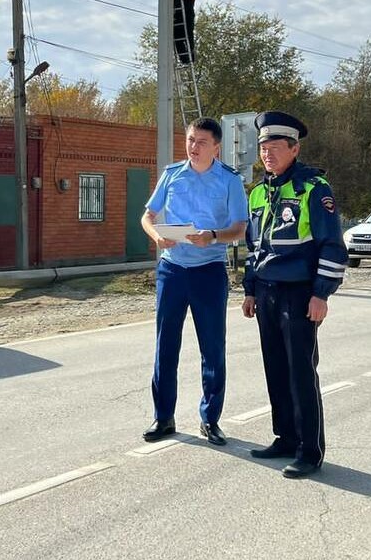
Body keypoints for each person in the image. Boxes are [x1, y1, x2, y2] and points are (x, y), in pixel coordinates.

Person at [241, 111, 347, 478]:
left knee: (301, 371)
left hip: (300, 293)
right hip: (267, 293)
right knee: (276, 369)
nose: (267, 154)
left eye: (274, 147)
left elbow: (332, 246)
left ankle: (309, 450)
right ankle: (285, 437)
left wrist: (322, 294)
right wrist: (250, 289)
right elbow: (254, 247)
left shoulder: (314, 190)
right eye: (263, 148)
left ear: (294, 148)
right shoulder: (258, 192)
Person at [141, 117, 249, 446]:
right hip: (172, 272)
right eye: (190, 140)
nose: (193, 146)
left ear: (216, 147)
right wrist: (157, 234)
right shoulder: (172, 174)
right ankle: (164, 417)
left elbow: (240, 229)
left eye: (201, 142)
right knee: (165, 347)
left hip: (209, 272)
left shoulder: (230, 181)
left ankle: (210, 419)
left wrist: (213, 236)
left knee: (212, 349)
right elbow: (147, 216)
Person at [173, 0, 199, 64]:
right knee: (176, 37)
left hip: (187, 15)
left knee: (188, 35)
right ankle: (184, 59)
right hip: (178, 17)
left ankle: (191, 57)